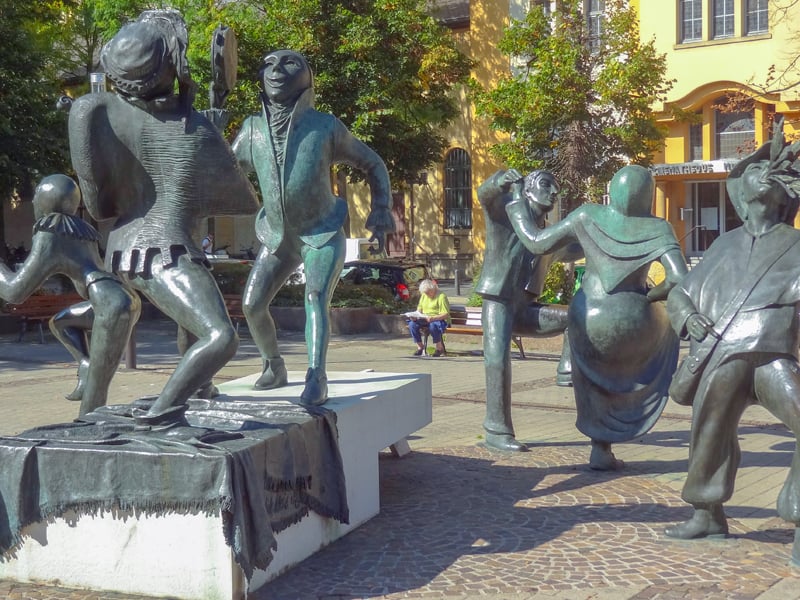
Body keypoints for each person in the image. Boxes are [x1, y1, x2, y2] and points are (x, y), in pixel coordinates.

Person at [68, 10, 259, 427]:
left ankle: (96, 418)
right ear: (172, 62)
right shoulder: (191, 126)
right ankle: (162, 415)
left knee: (143, 328)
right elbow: (237, 198)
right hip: (161, 248)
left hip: (123, 245)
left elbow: (101, 207)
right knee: (220, 336)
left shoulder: (90, 110)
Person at [664, 120, 800, 561]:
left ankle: (797, 516)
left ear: (784, 197)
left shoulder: (797, 245)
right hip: (722, 353)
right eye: (755, 170)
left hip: (771, 356)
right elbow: (680, 291)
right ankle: (706, 513)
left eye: (771, 172)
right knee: (710, 432)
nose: (763, 173)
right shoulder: (723, 244)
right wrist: (688, 318)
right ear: (742, 195)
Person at [231, 49, 395, 406]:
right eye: (268, 63)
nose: (276, 69)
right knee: (252, 305)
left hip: (322, 232)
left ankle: (315, 376)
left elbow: (373, 163)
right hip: (277, 237)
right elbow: (224, 176)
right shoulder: (251, 129)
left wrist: (382, 208)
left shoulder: (325, 126)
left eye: (290, 63)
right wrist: (207, 134)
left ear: (308, 78)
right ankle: (273, 365)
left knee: (315, 297)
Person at [506, 165, 687, 469]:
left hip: (588, 315)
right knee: (662, 327)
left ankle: (599, 449)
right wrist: (652, 297)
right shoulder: (659, 227)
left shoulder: (587, 215)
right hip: (636, 318)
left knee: (589, 378)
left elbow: (536, 242)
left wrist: (515, 203)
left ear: (613, 193)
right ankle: (637, 412)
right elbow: (679, 277)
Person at [0, 175, 141, 417]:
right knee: (61, 322)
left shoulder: (51, 233)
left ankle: (90, 443)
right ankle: (85, 364)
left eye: (36, 197)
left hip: (110, 305)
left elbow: (15, 291)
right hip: (122, 298)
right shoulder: (80, 230)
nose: (33, 201)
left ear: (46, 201)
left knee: (93, 403)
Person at [476, 169, 581, 453]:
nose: (553, 192)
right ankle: (497, 431)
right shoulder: (507, 215)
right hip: (498, 301)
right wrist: (498, 181)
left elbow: (575, 248)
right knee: (497, 362)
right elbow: (484, 197)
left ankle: (567, 372)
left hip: (525, 309)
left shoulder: (547, 235)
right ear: (528, 190)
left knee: (575, 316)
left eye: (557, 189)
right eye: (546, 185)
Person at [406, 279, 450, 357]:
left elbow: (445, 314)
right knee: (412, 324)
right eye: (425, 293)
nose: (427, 295)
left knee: (433, 325)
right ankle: (420, 347)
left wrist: (433, 318)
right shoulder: (424, 295)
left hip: (439, 319)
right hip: (425, 318)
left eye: (428, 292)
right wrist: (415, 316)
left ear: (433, 289)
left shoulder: (441, 296)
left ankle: (439, 348)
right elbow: (419, 310)